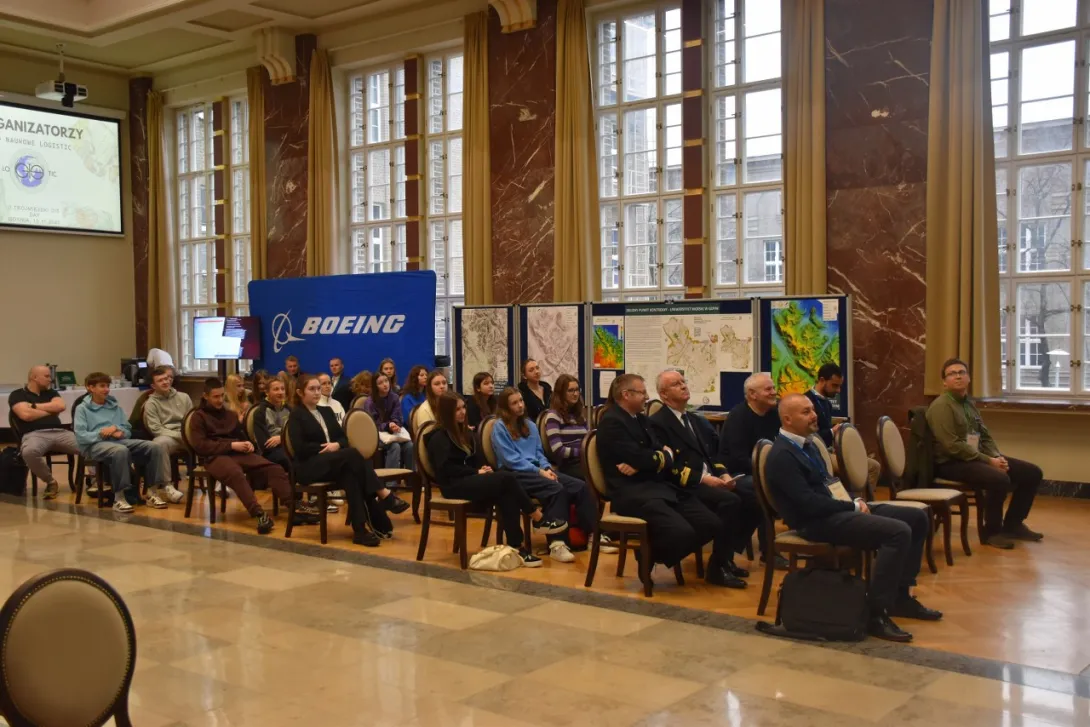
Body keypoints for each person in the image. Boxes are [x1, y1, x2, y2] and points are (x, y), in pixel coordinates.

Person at [766, 394, 941, 641]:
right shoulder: (783, 455)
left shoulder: (807, 444)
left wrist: (854, 502)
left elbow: (829, 484)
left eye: (812, 409)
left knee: (916, 518)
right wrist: (852, 507)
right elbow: (808, 504)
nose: (814, 415)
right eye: (806, 412)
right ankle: (877, 613)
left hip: (834, 510)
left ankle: (900, 598)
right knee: (898, 532)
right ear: (787, 419)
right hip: (815, 522)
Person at [596, 374, 745, 588]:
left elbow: (656, 453)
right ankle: (648, 556)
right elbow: (646, 456)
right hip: (632, 493)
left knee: (711, 524)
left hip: (658, 486)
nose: (647, 397)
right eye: (642, 392)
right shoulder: (612, 421)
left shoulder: (640, 419)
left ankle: (651, 552)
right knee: (681, 532)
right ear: (626, 395)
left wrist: (655, 458)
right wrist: (658, 457)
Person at [427, 393, 568, 567]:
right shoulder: (438, 437)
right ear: (447, 412)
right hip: (453, 485)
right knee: (507, 478)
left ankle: (517, 547)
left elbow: (476, 458)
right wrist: (476, 471)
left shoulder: (465, 433)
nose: (463, 412)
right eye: (457, 409)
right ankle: (538, 518)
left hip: (470, 478)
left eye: (463, 407)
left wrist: (484, 468)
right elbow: (446, 469)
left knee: (506, 493)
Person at [927, 357, 1042, 549]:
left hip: (976, 458)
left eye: (961, 372)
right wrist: (989, 461)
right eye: (952, 374)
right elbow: (952, 446)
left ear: (969, 378)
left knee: (1032, 473)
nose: (958, 376)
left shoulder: (968, 404)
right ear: (944, 382)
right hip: (951, 463)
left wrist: (997, 456)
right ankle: (992, 532)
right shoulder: (941, 406)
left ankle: (1013, 525)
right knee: (999, 479)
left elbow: (985, 436)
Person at [650, 370, 758, 575]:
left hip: (710, 479)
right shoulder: (658, 423)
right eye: (676, 384)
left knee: (753, 497)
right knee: (730, 501)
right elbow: (668, 467)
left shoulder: (695, 419)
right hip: (683, 485)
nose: (683, 386)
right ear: (663, 394)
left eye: (683, 381)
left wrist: (724, 474)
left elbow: (712, 455)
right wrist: (705, 479)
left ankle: (727, 556)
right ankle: (717, 568)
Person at [287, 375, 410, 546]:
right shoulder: (296, 415)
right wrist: (326, 448)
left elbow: (343, 439)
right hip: (309, 466)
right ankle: (384, 494)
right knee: (352, 454)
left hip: (333, 463)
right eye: (312, 389)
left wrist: (337, 445)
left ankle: (360, 531)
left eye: (318, 388)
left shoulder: (326, 411)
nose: (317, 392)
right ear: (300, 393)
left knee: (350, 475)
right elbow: (300, 448)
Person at [491, 387, 607, 563]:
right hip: (515, 474)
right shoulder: (499, 427)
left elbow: (539, 453)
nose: (520, 405)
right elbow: (510, 460)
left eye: (521, 401)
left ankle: (593, 535)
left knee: (581, 487)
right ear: (505, 407)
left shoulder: (529, 425)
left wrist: (547, 469)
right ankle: (557, 544)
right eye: (514, 403)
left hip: (539, 470)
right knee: (556, 489)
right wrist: (539, 471)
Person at [189, 378, 318, 533]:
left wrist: (247, 443)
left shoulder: (229, 414)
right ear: (205, 396)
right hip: (214, 457)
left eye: (222, 396)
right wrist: (231, 445)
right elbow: (201, 446)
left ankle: (293, 508)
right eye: (215, 397)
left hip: (237, 453)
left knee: (273, 468)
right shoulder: (198, 417)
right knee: (235, 473)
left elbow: (240, 435)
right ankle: (259, 514)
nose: (220, 400)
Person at [73, 372, 172, 514]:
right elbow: (82, 436)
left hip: (119, 441)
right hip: (94, 446)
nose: (106, 389)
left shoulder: (114, 406)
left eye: (107, 386)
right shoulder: (82, 409)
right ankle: (119, 498)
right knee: (120, 450)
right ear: (90, 388)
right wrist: (103, 433)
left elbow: (126, 429)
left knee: (154, 447)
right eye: (102, 386)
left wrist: (117, 429)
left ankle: (152, 492)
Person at [718, 372, 784, 566]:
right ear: (752, 394)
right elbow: (738, 459)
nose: (774, 392)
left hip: (764, 471)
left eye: (773, 388)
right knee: (762, 491)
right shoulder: (738, 417)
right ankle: (768, 551)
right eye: (768, 389)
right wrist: (768, 473)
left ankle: (807, 540)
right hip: (735, 473)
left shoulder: (774, 414)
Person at [8, 365, 80, 500]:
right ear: (34, 377)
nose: (50, 379)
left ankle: (97, 480)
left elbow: (61, 406)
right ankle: (51, 482)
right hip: (34, 434)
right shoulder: (17, 394)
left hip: (60, 432)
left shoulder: (51, 393)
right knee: (29, 452)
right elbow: (26, 415)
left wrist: (33, 406)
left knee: (91, 446)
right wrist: (50, 411)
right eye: (46, 376)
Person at [805, 363, 880, 491]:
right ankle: (857, 501)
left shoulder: (826, 403)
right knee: (863, 468)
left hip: (832, 450)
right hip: (818, 454)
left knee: (874, 466)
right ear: (822, 380)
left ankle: (862, 500)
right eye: (835, 385)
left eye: (840, 386)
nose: (839, 390)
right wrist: (832, 431)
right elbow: (809, 437)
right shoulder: (806, 402)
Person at [141, 365, 192, 506]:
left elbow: (191, 420)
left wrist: (188, 434)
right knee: (159, 444)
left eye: (166, 379)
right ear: (153, 385)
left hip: (187, 435)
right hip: (169, 437)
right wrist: (179, 435)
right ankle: (167, 486)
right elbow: (156, 429)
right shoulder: (150, 403)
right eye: (160, 380)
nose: (165, 382)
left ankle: (219, 483)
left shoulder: (184, 397)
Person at [542, 374, 589, 479]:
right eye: (570, 390)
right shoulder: (553, 416)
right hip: (569, 464)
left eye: (577, 390)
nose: (575, 394)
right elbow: (558, 450)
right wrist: (583, 452)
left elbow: (588, 440)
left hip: (585, 459)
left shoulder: (579, 415)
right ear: (561, 393)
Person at [363, 373, 412, 468]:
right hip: (377, 434)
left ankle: (411, 475)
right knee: (395, 446)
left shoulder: (394, 397)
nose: (385, 384)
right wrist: (388, 425)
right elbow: (373, 424)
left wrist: (395, 424)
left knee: (409, 446)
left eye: (386, 381)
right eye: (380, 383)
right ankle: (391, 477)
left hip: (393, 431)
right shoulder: (370, 402)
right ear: (375, 386)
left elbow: (398, 416)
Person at [253, 378, 292, 473]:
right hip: (271, 451)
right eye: (276, 389)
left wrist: (281, 438)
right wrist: (285, 439)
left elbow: (296, 432)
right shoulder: (260, 412)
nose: (280, 392)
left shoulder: (289, 409)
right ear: (267, 392)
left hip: (288, 445)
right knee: (289, 459)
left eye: (282, 389)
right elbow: (265, 444)